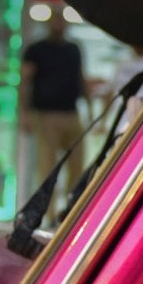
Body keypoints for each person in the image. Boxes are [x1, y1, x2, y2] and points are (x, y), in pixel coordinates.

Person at [19, 13, 86, 216]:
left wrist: (89, 109)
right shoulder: (36, 49)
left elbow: (80, 79)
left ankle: (71, 211)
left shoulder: (74, 49)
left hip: (71, 113)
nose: (59, 24)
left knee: (77, 165)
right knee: (47, 167)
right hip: (46, 114)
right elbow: (25, 81)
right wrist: (24, 113)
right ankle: (46, 214)